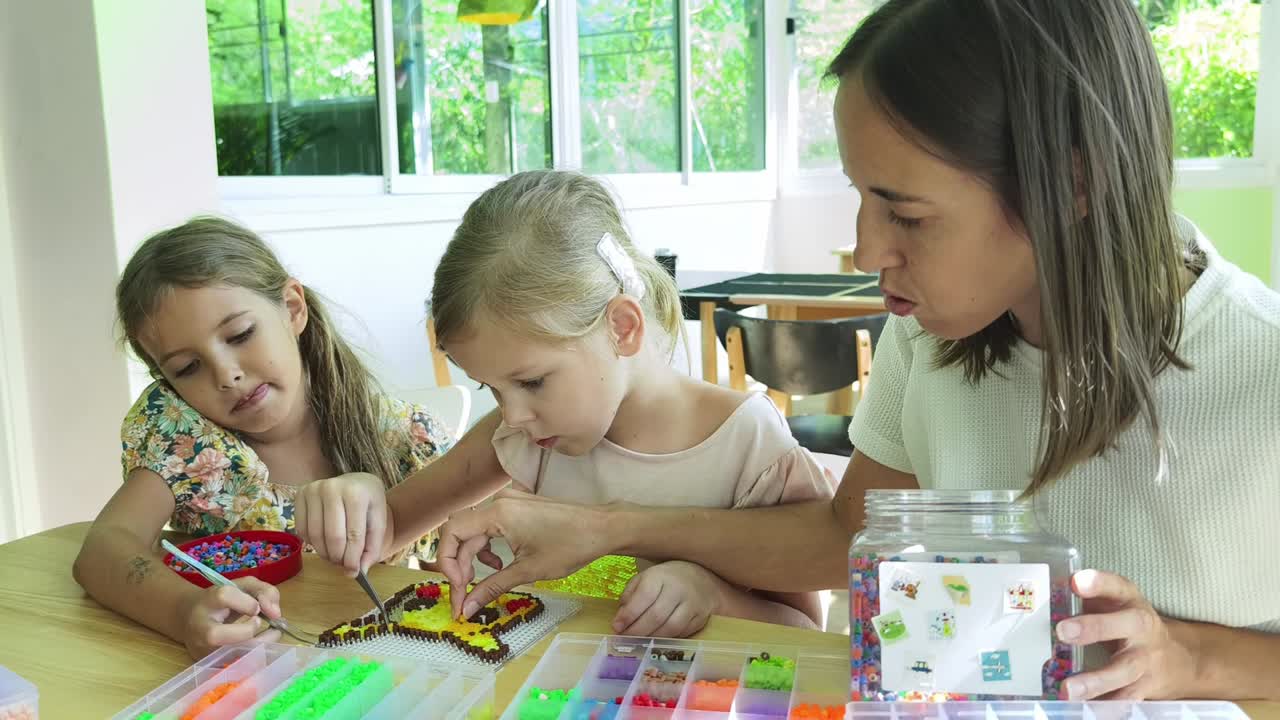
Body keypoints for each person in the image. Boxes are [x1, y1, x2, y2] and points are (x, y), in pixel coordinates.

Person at [430, 0, 1280, 701]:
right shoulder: (927, 340)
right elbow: (844, 538)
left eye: (906, 213)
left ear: (1074, 181)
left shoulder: (1261, 370)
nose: (868, 249)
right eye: (861, 196)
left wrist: (1192, 659)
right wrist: (600, 531)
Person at [299, 169, 835, 637]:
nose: (512, 415)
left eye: (532, 382)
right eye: (490, 389)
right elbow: (389, 528)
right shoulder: (519, 434)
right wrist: (358, 499)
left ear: (622, 328)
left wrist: (713, 596)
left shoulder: (748, 446)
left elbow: (809, 633)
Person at [73, 217, 455, 658]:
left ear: (292, 309)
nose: (226, 374)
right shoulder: (190, 444)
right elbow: (102, 551)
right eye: (187, 368)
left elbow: (455, 583)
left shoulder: (403, 439)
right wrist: (184, 612)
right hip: (254, 675)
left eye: (240, 335)